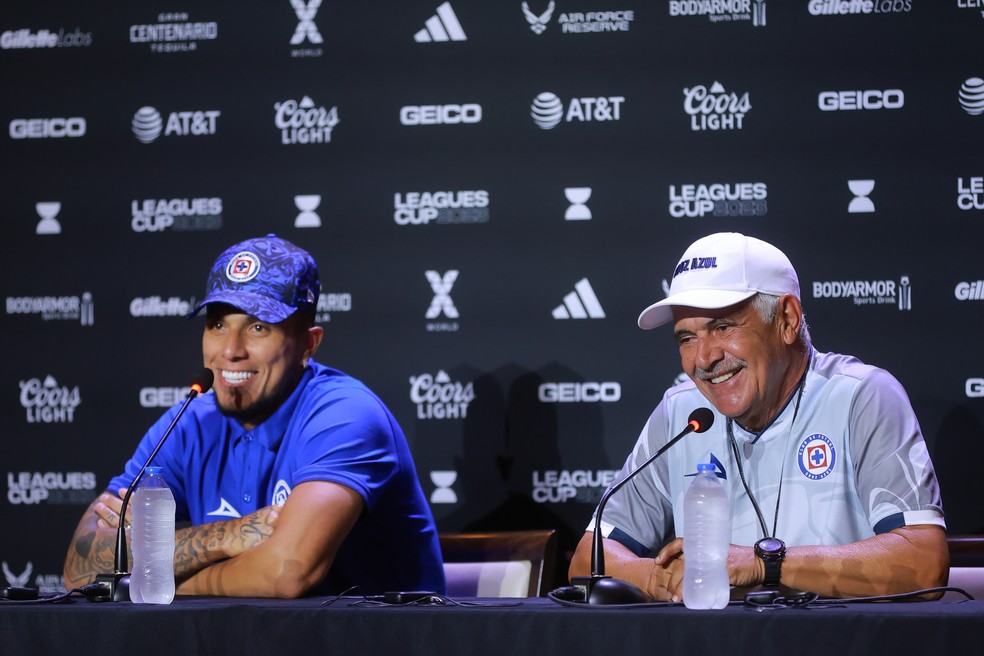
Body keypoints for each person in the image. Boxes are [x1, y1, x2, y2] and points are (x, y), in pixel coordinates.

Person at [569, 232, 948, 601]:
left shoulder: (861, 397)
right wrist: (660, 578)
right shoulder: (681, 413)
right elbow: (589, 559)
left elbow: (923, 563)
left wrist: (765, 564)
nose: (703, 359)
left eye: (723, 327)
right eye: (687, 338)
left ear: (786, 319)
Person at [64, 234, 445, 598]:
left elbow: (287, 572)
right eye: (217, 325)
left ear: (309, 344)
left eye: (258, 328)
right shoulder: (188, 422)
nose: (230, 350)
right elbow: (79, 569)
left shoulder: (345, 415)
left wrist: (155, 581)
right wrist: (227, 535)